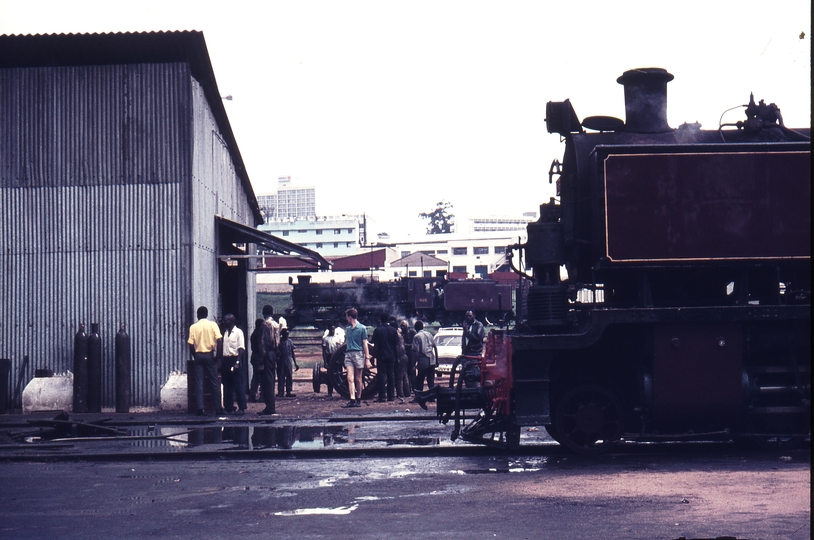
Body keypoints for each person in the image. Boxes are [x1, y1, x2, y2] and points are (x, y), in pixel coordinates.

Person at [187, 306, 225, 416]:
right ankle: (217, 408)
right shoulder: (213, 325)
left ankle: (200, 408)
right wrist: (217, 355)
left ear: (197, 315)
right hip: (209, 355)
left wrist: (195, 354)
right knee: (214, 381)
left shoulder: (193, 327)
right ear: (207, 314)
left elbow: (190, 344)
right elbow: (219, 340)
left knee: (199, 382)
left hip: (198, 355)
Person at [342, 308, 370, 408]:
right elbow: (345, 342)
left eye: (346, 316)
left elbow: (365, 344)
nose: (346, 319)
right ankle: (352, 399)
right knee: (350, 377)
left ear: (350, 317)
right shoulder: (348, 329)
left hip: (358, 354)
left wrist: (367, 358)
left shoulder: (362, 328)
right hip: (349, 354)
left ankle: (358, 399)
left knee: (358, 378)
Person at [220, 313, 247, 415]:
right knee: (227, 385)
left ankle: (241, 407)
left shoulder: (238, 332)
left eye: (226, 320)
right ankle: (229, 407)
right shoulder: (225, 333)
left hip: (235, 359)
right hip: (226, 360)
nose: (224, 322)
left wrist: (237, 362)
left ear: (231, 321)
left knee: (238, 384)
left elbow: (241, 349)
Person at [258, 304, 281, 415]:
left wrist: (262, 358)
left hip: (267, 353)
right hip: (274, 353)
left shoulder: (265, 324)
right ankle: (270, 406)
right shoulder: (276, 325)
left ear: (264, 313)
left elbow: (263, 343)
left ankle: (270, 407)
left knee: (267, 381)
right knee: (272, 378)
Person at [371, 313, 398, 402]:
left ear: (380, 320)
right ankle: (391, 396)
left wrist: (373, 357)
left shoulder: (377, 330)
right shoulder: (393, 330)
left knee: (381, 375)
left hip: (381, 355)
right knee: (391, 375)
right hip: (391, 355)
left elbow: (375, 345)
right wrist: (396, 356)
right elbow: (396, 345)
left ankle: (382, 396)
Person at [412, 320, 437, 393]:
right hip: (432, 358)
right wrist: (436, 360)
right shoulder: (429, 334)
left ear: (415, 328)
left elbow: (416, 351)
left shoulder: (416, 336)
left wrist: (415, 363)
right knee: (430, 379)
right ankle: (432, 396)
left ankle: (419, 396)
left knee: (420, 379)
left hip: (423, 359)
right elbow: (435, 347)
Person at [321, 325, 344, 397]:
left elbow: (341, 349)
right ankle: (329, 392)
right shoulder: (325, 339)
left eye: (333, 330)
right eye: (331, 330)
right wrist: (325, 361)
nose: (332, 331)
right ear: (329, 330)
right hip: (329, 356)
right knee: (329, 375)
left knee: (339, 374)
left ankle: (341, 391)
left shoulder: (338, 338)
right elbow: (324, 351)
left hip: (337, 357)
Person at [392, 318, 411, 400]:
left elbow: (397, 347)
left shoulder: (396, 335)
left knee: (399, 377)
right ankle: (407, 392)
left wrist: (396, 358)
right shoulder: (400, 335)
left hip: (400, 356)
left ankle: (400, 394)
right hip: (404, 356)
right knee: (405, 375)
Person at [277, 328, 299, 397]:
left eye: (287, 334)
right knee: (281, 376)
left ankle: (289, 391)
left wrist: (295, 363)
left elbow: (292, 353)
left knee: (289, 376)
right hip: (280, 361)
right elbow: (276, 352)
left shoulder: (290, 342)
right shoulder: (279, 342)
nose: (287, 335)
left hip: (288, 360)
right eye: (285, 334)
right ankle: (280, 391)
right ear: (282, 334)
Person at [248, 318, 264, 402]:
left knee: (255, 377)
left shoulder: (253, 334)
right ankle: (262, 396)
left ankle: (252, 395)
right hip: (259, 356)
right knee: (261, 377)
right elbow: (260, 347)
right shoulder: (260, 335)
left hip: (254, 356)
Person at [400, 320, 417, 392]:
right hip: (404, 353)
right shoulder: (400, 334)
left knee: (412, 372)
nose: (403, 327)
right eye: (402, 326)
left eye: (404, 326)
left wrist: (407, 345)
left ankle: (414, 388)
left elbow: (415, 344)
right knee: (405, 372)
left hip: (411, 354)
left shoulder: (412, 333)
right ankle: (407, 389)